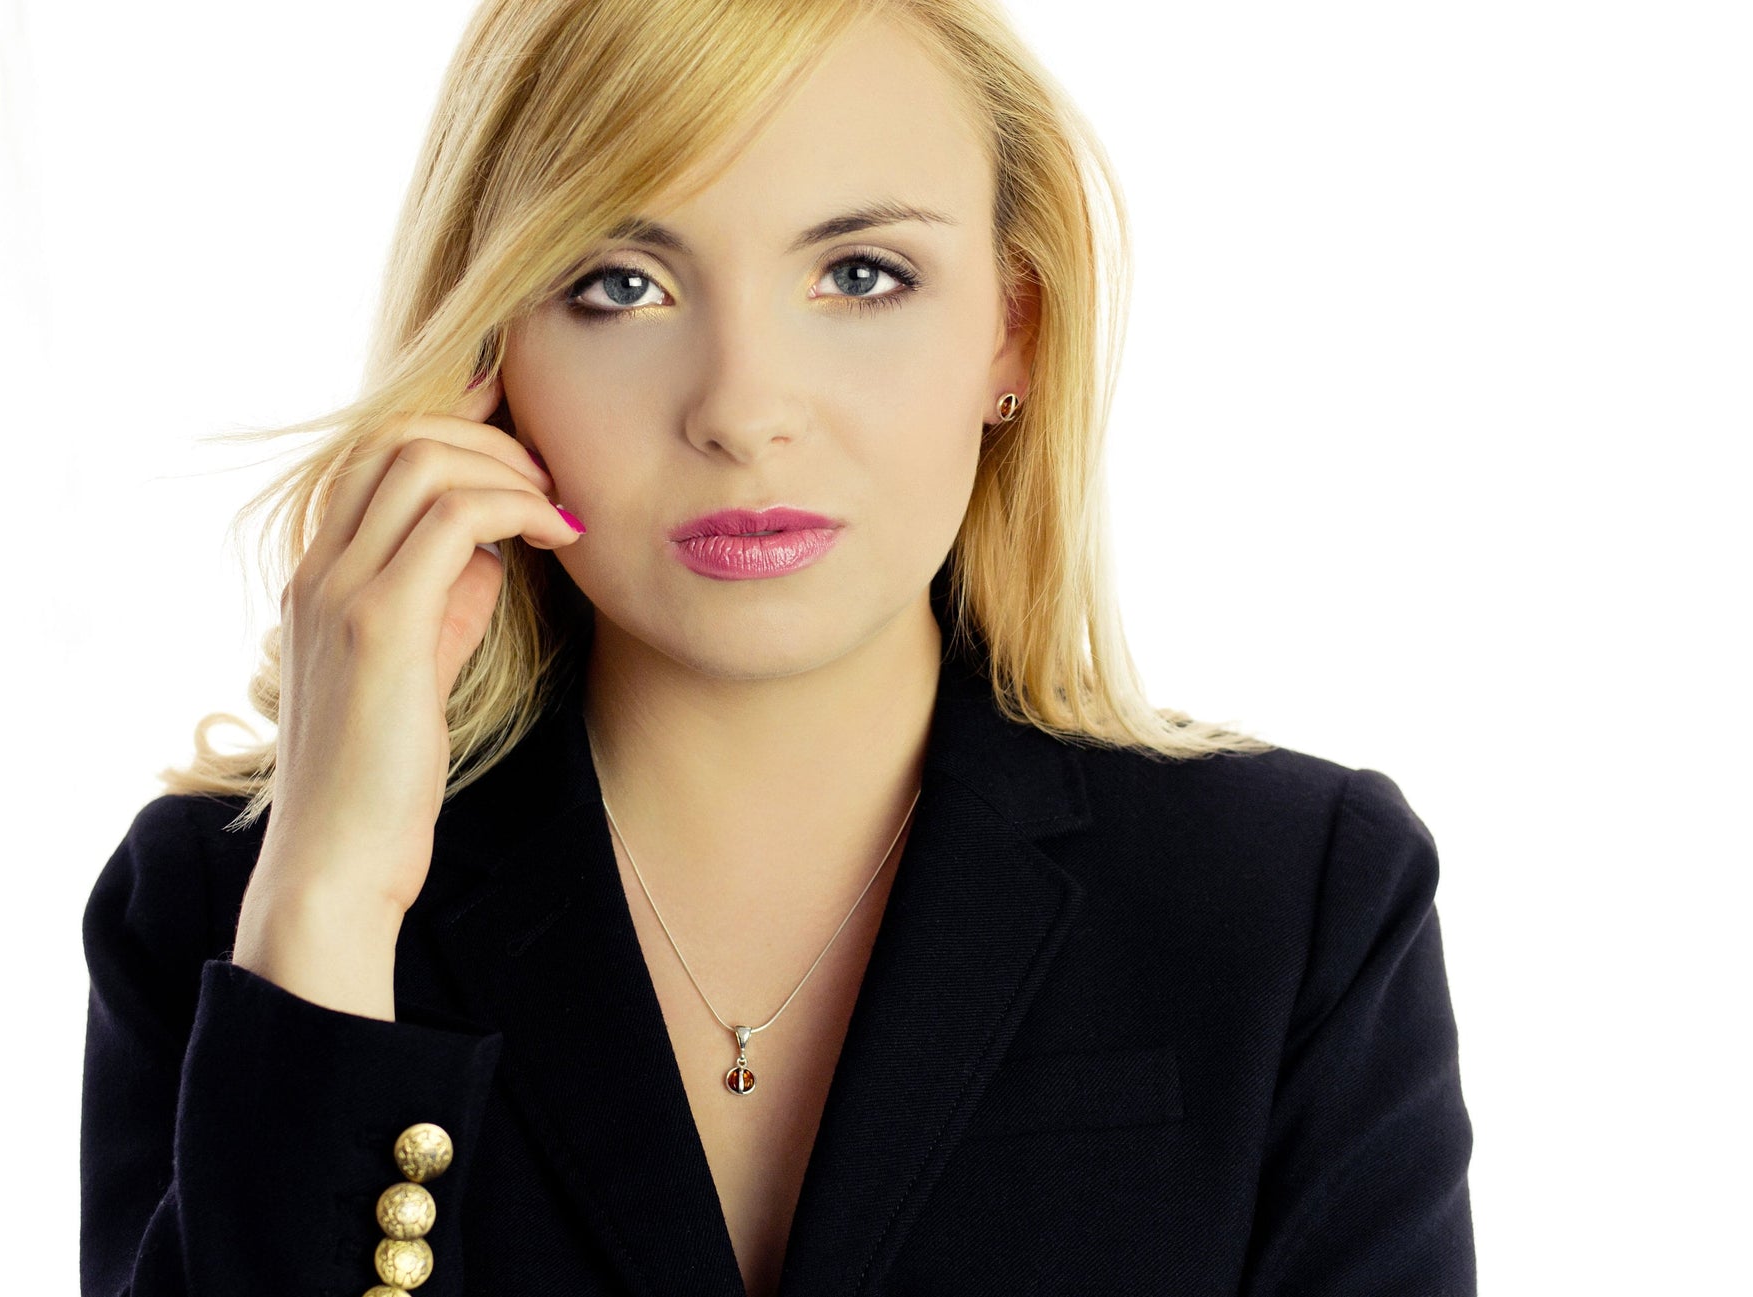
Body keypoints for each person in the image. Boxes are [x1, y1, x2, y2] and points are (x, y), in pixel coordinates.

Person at [79, 1, 1477, 1293]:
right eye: (619, 284)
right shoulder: (232, 909)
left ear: (1014, 329)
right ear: (486, 349)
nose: (743, 411)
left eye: (861, 274)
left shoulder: (1290, 900)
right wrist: (331, 902)